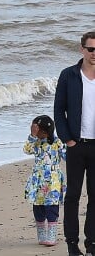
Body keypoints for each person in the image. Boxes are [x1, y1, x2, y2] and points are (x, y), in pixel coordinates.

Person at [54, 31, 95, 256]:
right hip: (76, 145)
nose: (94, 53)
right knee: (73, 196)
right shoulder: (69, 75)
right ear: (82, 49)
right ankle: (72, 243)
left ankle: (92, 243)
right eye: (91, 49)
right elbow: (59, 111)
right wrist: (67, 139)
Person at [23, 115, 66, 247]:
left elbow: (66, 155)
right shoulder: (35, 142)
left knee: (52, 207)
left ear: (45, 131)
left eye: (37, 130)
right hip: (38, 180)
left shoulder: (57, 142)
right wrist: (32, 135)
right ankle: (42, 236)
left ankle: (51, 236)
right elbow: (26, 149)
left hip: (52, 181)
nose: (36, 133)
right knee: (38, 207)